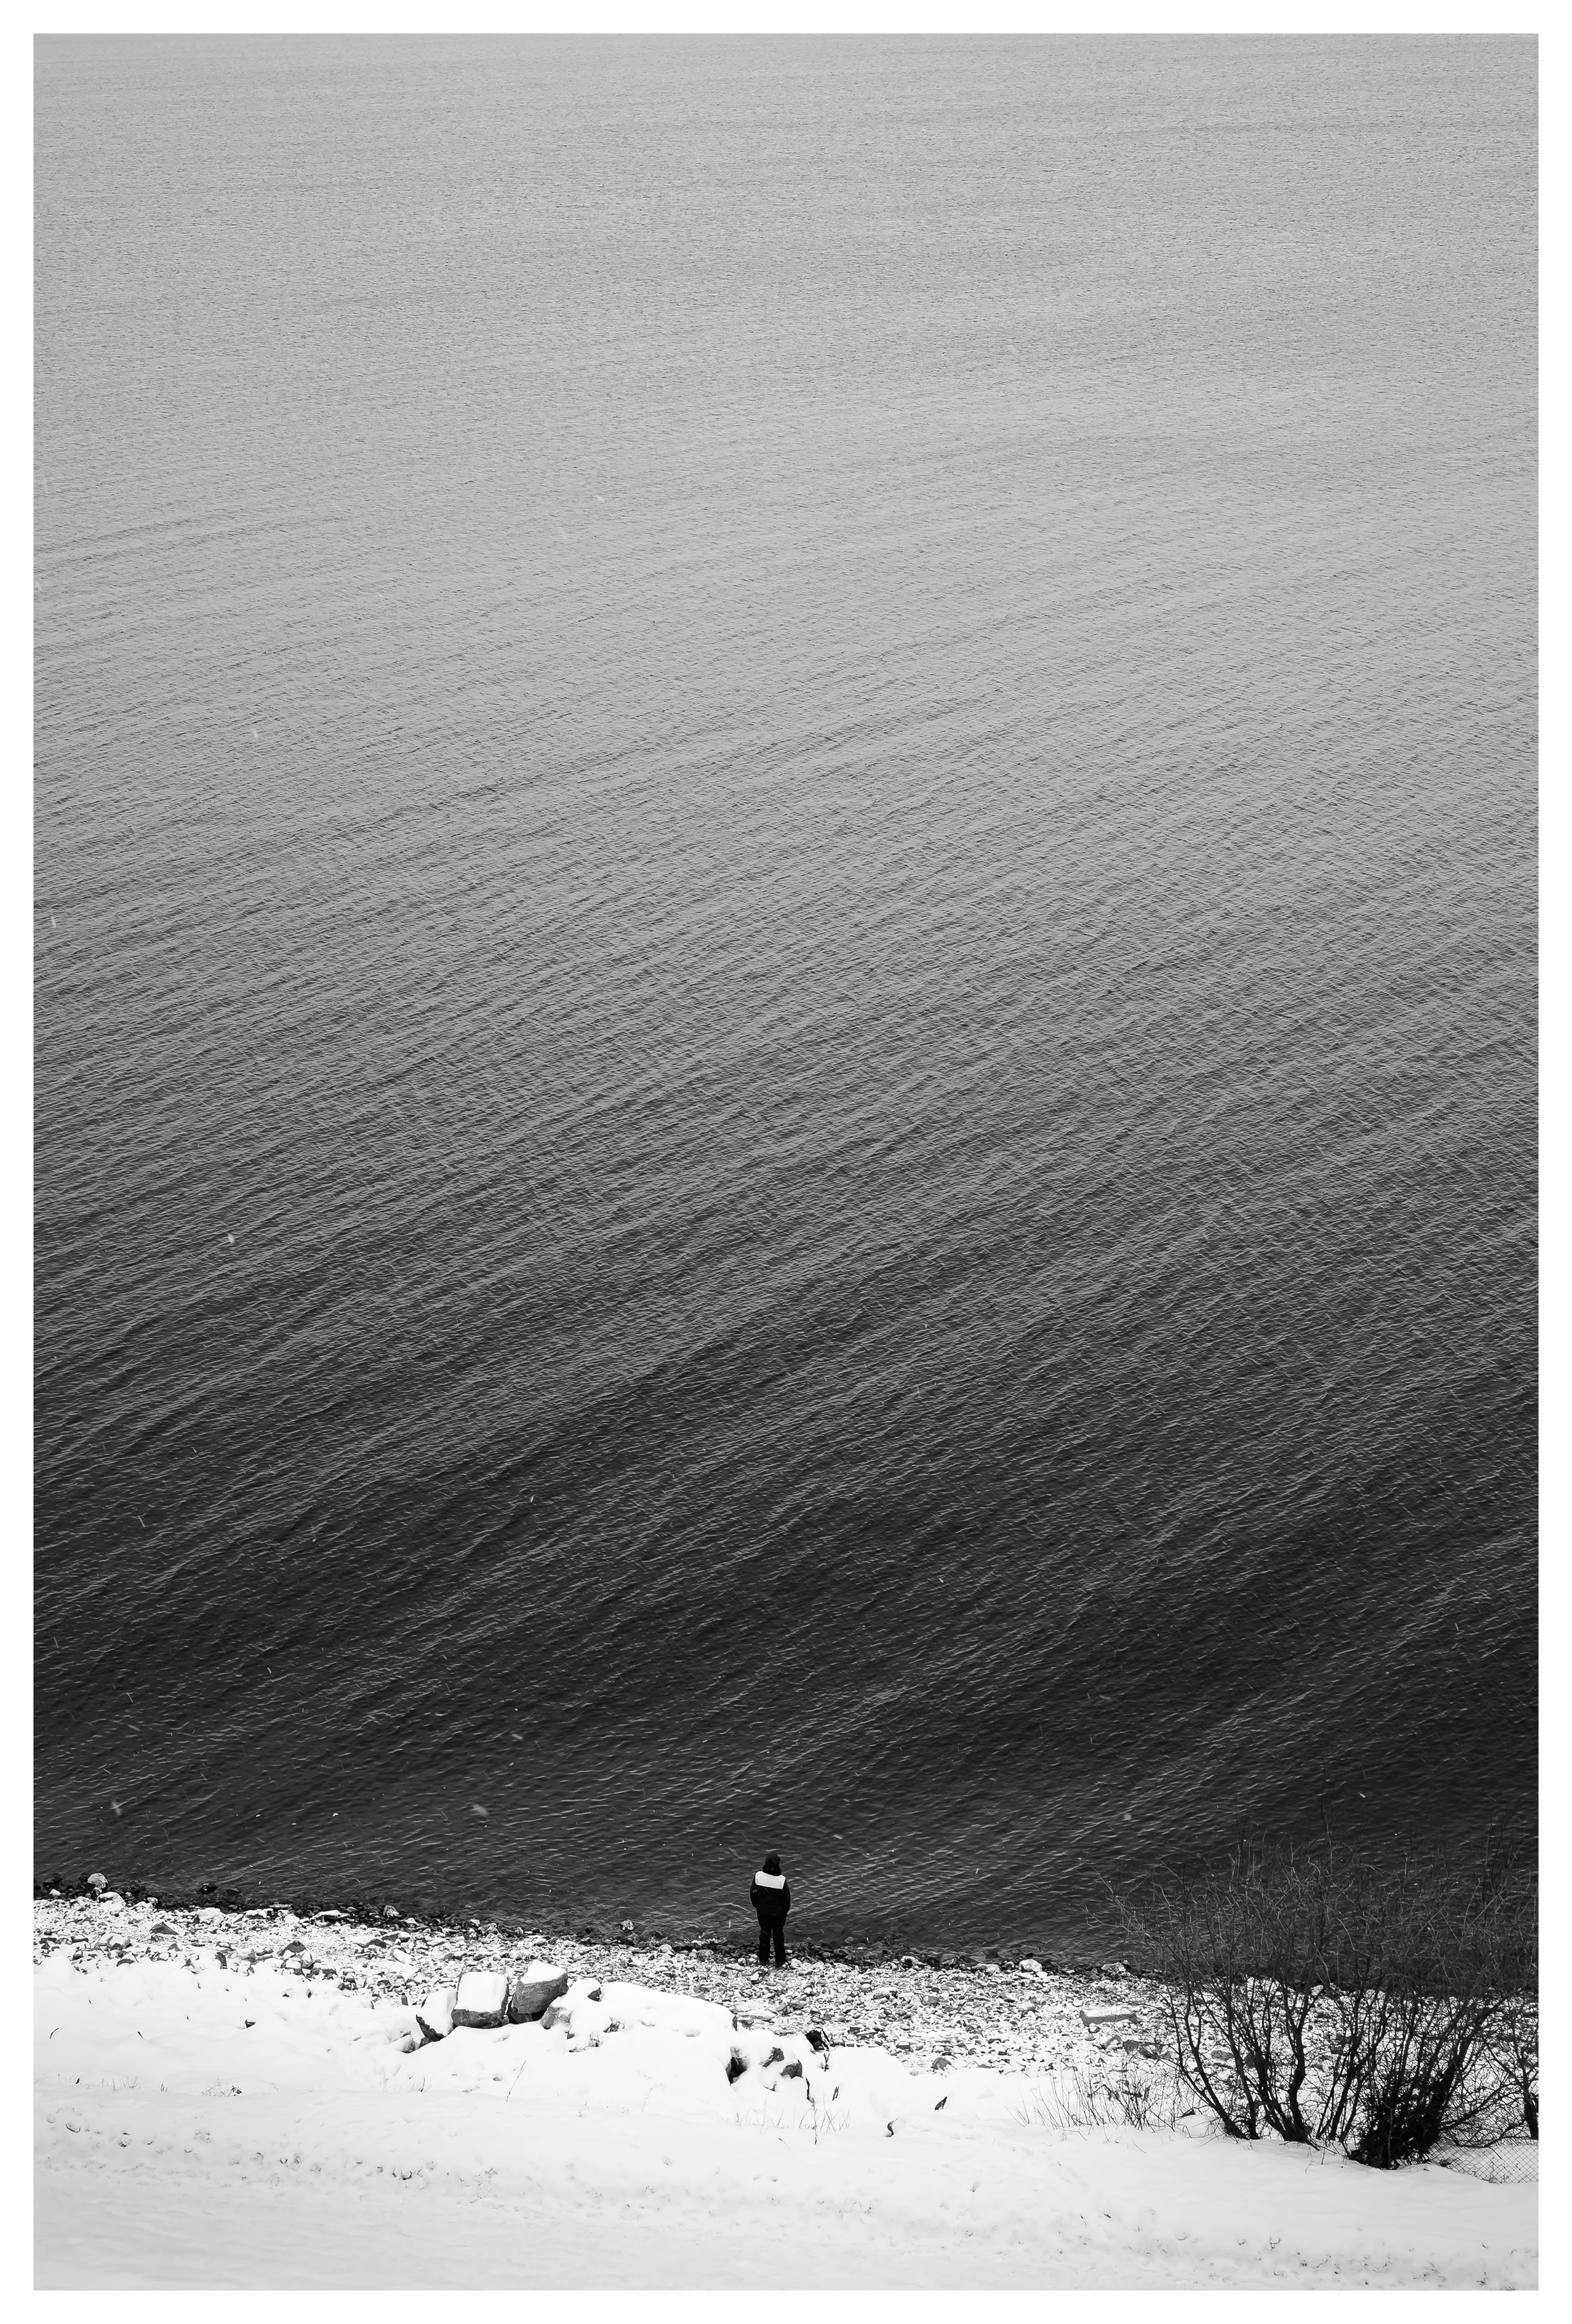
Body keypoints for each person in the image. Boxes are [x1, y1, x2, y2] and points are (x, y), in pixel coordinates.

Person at [750, 1851, 791, 1968]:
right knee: (778, 1935)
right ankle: (780, 1960)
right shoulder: (781, 1880)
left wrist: (758, 1907)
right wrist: (784, 1913)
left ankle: (764, 1959)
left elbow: (753, 1895)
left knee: (764, 1934)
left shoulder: (758, 1876)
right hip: (778, 1913)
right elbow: (786, 1901)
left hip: (762, 1911)